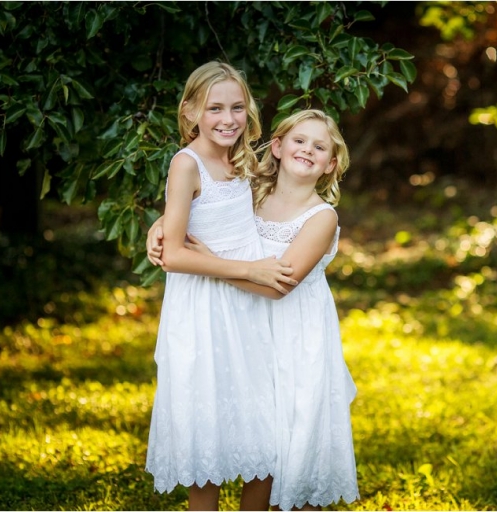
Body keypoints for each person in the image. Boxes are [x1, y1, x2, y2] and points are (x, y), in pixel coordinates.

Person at [147, 109, 360, 511]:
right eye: (299, 140)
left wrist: (211, 264)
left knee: (287, 445)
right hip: (246, 328)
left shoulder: (322, 218)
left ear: (331, 164)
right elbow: (202, 205)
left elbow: (278, 284)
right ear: (277, 147)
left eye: (319, 147)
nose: (307, 150)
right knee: (256, 435)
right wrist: (160, 226)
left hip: (297, 338)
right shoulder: (251, 189)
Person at [144, 61, 299, 511]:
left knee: (266, 434)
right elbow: (173, 255)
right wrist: (247, 270)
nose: (227, 119)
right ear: (190, 111)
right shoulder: (186, 164)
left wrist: (164, 221)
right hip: (206, 310)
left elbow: (227, 217)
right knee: (207, 437)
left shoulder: (246, 157)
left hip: (250, 310)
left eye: (236, 107)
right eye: (214, 108)